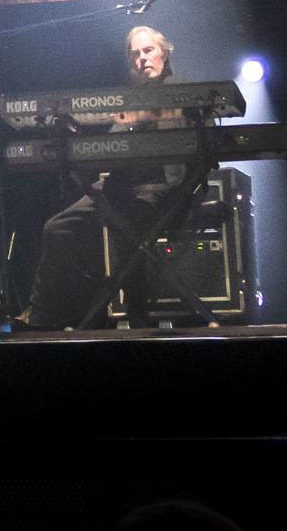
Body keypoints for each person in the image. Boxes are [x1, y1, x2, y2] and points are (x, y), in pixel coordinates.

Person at [18, 25, 211, 328]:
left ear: (164, 53)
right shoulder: (127, 99)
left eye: (148, 50)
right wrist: (79, 134)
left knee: (128, 222)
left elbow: (204, 142)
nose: (142, 58)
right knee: (57, 228)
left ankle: (136, 315)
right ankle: (43, 313)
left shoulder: (184, 91)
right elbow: (109, 147)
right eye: (135, 54)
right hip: (118, 188)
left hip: (162, 189)